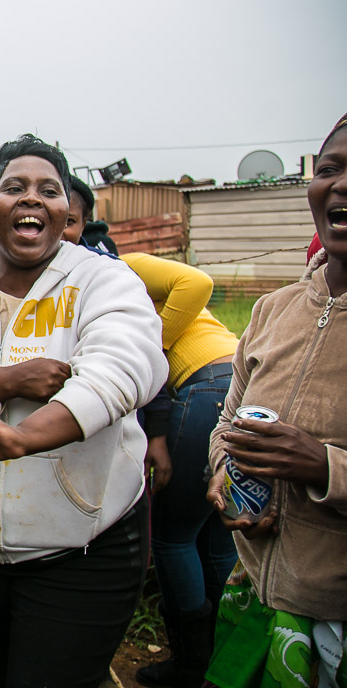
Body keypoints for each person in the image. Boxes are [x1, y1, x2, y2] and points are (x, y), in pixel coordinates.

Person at [0, 134, 167, 688]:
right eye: (13, 187)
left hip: (83, 544)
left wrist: (25, 437)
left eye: (49, 190)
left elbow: (122, 369)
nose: (31, 198)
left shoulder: (103, 281)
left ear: (68, 212)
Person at [203, 112, 347, 688]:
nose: (339, 183)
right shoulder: (273, 309)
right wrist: (222, 474)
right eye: (330, 168)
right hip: (256, 593)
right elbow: (227, 423)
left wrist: (323, 465)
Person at [115, 251, 240, 687]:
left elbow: (197, 283)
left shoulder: (121, 263)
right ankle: (221, 662)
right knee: (216, 534)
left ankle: (189, 668)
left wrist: (154, 348)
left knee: (172, 537)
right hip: (241, 386)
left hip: (207, 387)